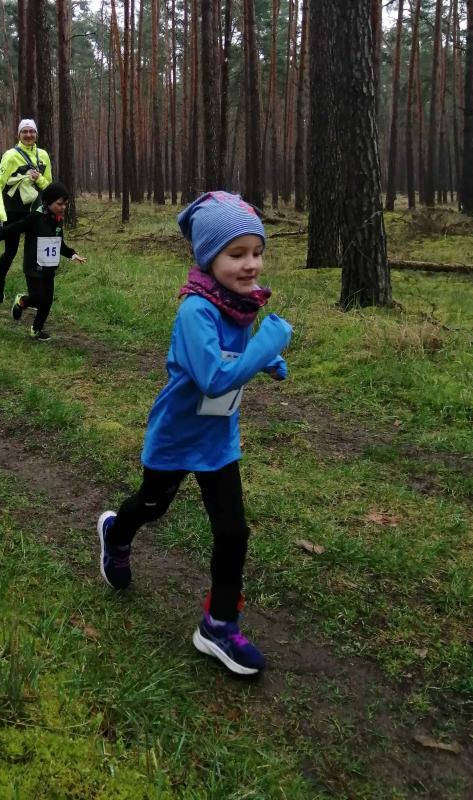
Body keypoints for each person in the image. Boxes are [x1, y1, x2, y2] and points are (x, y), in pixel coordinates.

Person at [96, 191, 292, 676]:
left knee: (233, 531)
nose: (251, 264)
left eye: (257, 252)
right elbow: (214, 378)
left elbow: (232, 358)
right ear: (208, 258)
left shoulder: (239, 304)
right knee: (152, 506)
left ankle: (218, 624)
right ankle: (116, 534)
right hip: (177, 437)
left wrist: (266, 359)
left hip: (218, 439)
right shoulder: (195, 312)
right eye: (237, 254)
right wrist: (268, 342)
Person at [0, 182, 85, 341]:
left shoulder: (57, 220)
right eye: (59, 204)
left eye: (65, 204)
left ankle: (36, 330)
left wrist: (72, 254)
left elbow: (58, 243)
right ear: (48, 202)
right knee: (37, 298)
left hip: (49, 268)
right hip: (33, 267)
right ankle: (21, 301)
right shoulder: (35, 217)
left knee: (47, 301)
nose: (63, 207)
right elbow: (13, 228)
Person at [0, 119, 53, 304]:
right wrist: (1, 215)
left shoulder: (43, 155)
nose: (28, 135)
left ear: (36, 134)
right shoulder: (10, 156)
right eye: (24, 131)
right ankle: (0, 281)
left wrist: (39, 179)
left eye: (32, 131)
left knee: (34, 255)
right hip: (13, 212)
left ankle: (34, 295)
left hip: (35, 212)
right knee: (11, 253)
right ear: (19, 135)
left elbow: (49, 187)